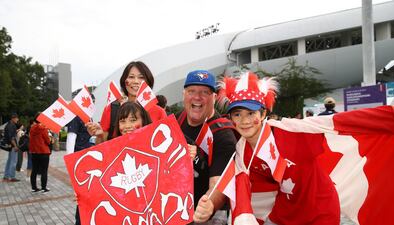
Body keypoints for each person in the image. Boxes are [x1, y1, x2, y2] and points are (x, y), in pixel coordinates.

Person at [219, 72, 340, 225]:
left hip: (319, 209)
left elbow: (339, 126)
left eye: (251, 113)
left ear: (263, 114)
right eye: (237, 114)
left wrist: (379, 119)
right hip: (285, 213)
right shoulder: (243, 153)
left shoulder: (292, 131)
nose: (244, 121)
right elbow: (247, 191)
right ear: (231, 118)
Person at [177, 70, 237, 224]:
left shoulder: (224, 135)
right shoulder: (178, 119)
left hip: (208, 215)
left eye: (205, 92)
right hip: (177, 207)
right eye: (192, 91)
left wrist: (208, 204)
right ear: (183, 95)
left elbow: (217, 185)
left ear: (214, 98)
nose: (197, 97)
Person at [87, 61, 167, 143]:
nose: (136, 81)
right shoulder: (112, 109)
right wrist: (99, 136)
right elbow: (102, 146)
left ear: (148, 81)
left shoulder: (159, 112)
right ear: (124, 81)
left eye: (141, 77)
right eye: (131, 77)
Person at [29, 112, 52, 193]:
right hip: (43, 152)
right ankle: (43, 187)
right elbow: (48, 141)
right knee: (44, 170)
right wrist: (50, 138)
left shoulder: (32, 128)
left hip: (35, 152)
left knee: (34, 170)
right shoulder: (43, 128)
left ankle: (34, 187)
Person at [2, 113, 21, 182]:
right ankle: (11, 177)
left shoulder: (9, 125)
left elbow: (11, 134)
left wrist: (17, 131)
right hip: (13, 146)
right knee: (13, 162)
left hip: (10, 146)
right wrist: (15, 146)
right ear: (13, 118)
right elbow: (11, 138)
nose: (17, 119)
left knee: (9, 161)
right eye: (17, 118)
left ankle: (6, 176)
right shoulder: (11, 125)